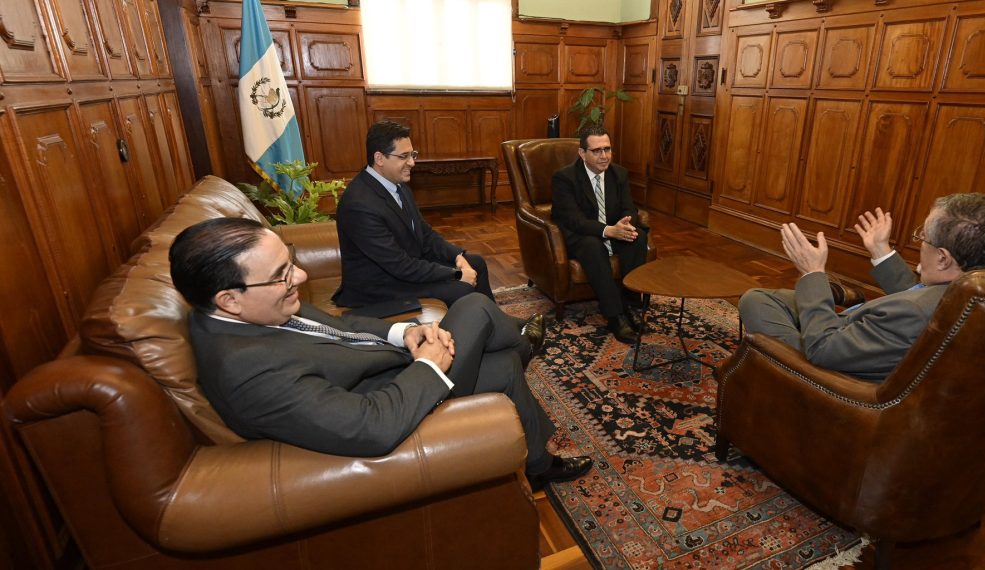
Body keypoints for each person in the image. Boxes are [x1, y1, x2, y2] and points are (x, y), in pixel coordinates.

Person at [169, 217, 591, 488]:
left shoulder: (255, 311)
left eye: (290, 261)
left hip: (390, 371)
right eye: (282, 275)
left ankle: (538, 465)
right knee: (476, 307)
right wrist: (428, 365)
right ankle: (523, 340)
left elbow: (341, 328)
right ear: (229, 300)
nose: (301, 275)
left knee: (502, 366)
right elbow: (371, 427)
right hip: (398, 407)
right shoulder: (248, 370)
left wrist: (404, 332)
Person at [738, 193, 985, 381]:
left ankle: (775, 362)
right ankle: (831, 298)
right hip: (866, 337)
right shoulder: (978, 293)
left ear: (943, 258)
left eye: (923, 237)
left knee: (755, 300)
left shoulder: (911, 315)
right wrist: (880, 250)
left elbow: (823, 350)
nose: (921, 242)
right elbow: (921, 296)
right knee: (778, 300)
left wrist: (813, 272)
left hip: (830, 358)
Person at [334, 121, 493, 309]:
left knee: (476, 264)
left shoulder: (398, 185)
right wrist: (456, 274)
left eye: (412, 154)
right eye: (404, 156)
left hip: (405, 268)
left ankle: (495, 322)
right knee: (461, 288)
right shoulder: (359, 205)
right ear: (379, 158)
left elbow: (425, 234)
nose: (412, 162)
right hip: (379, 287)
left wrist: (457, 257)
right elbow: (399, 265)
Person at [551, 125, 650, 344]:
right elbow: (574, 220)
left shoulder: (619, 174)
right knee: (592, 245)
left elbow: (629, 207)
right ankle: (614, 315)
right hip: (581, 235)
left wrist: (625, 224)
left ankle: (630, 305)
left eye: (607, 149)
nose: (604, 156)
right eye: (596, 151)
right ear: (582, 153)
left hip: (612, 229)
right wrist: (608, 230)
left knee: (637, 237)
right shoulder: (564, 178)